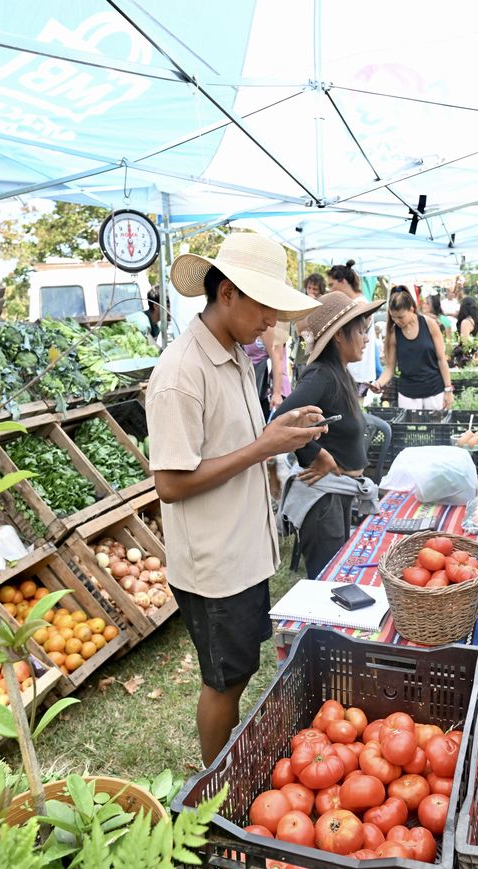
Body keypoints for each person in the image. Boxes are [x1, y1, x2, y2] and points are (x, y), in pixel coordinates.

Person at [146, 232, 326, 764]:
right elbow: (170, 484)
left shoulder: (235, 356)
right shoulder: (181, 373)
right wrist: (262, 448)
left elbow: (235, 443)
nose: (270, 322)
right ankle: (214, 782)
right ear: (227, 293)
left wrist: (277, 431)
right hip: (214, 563)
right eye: (264, 307)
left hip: (242, 550)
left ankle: (227, 766)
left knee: (241, 668)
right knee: (223, 681)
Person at [274, 291, 384, 576]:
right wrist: (316, 454)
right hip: (324, 501)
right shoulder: (321, 375)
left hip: (338, 496)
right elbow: (280, 421)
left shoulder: (340, 374)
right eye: (360, 331)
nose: (366, 338)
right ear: (338, 336)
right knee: (327, 582)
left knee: (335, 578)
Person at [372, 286, 454, 410]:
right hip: (408, 394)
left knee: (436, 422)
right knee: (410, 423)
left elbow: (441, 359)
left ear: (412, 309)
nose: (397, 321)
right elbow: (390, 368)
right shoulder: (394, 333)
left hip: (434, 390)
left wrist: (448, 389)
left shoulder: (429, 324)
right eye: (393, 317)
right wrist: (378, 383)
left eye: (401, 317)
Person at [330, 260, 379, 394]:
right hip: (353, 373)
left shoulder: (360, 305)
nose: (330, 290)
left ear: (343, 282)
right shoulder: (356, 303)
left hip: (356, 374)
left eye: (332, 285)